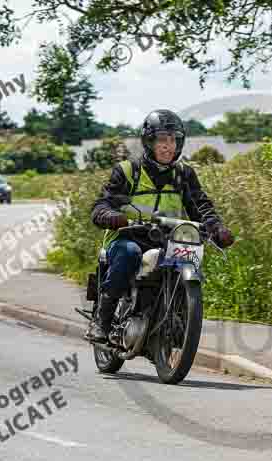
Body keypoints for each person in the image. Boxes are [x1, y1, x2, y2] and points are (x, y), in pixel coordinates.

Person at [85, 109, 234, 343]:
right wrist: (111, 216)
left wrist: (217, 230)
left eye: (174, 140)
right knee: (130, 253)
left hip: (167, 239)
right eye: (162, 140)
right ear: (149, 142)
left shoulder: (184, 174)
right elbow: (101, 204)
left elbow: (201, 207)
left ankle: (171, 321)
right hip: (128, 237)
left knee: (185, 259)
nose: (169, 146)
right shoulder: (128, 171)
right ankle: (102, 322)